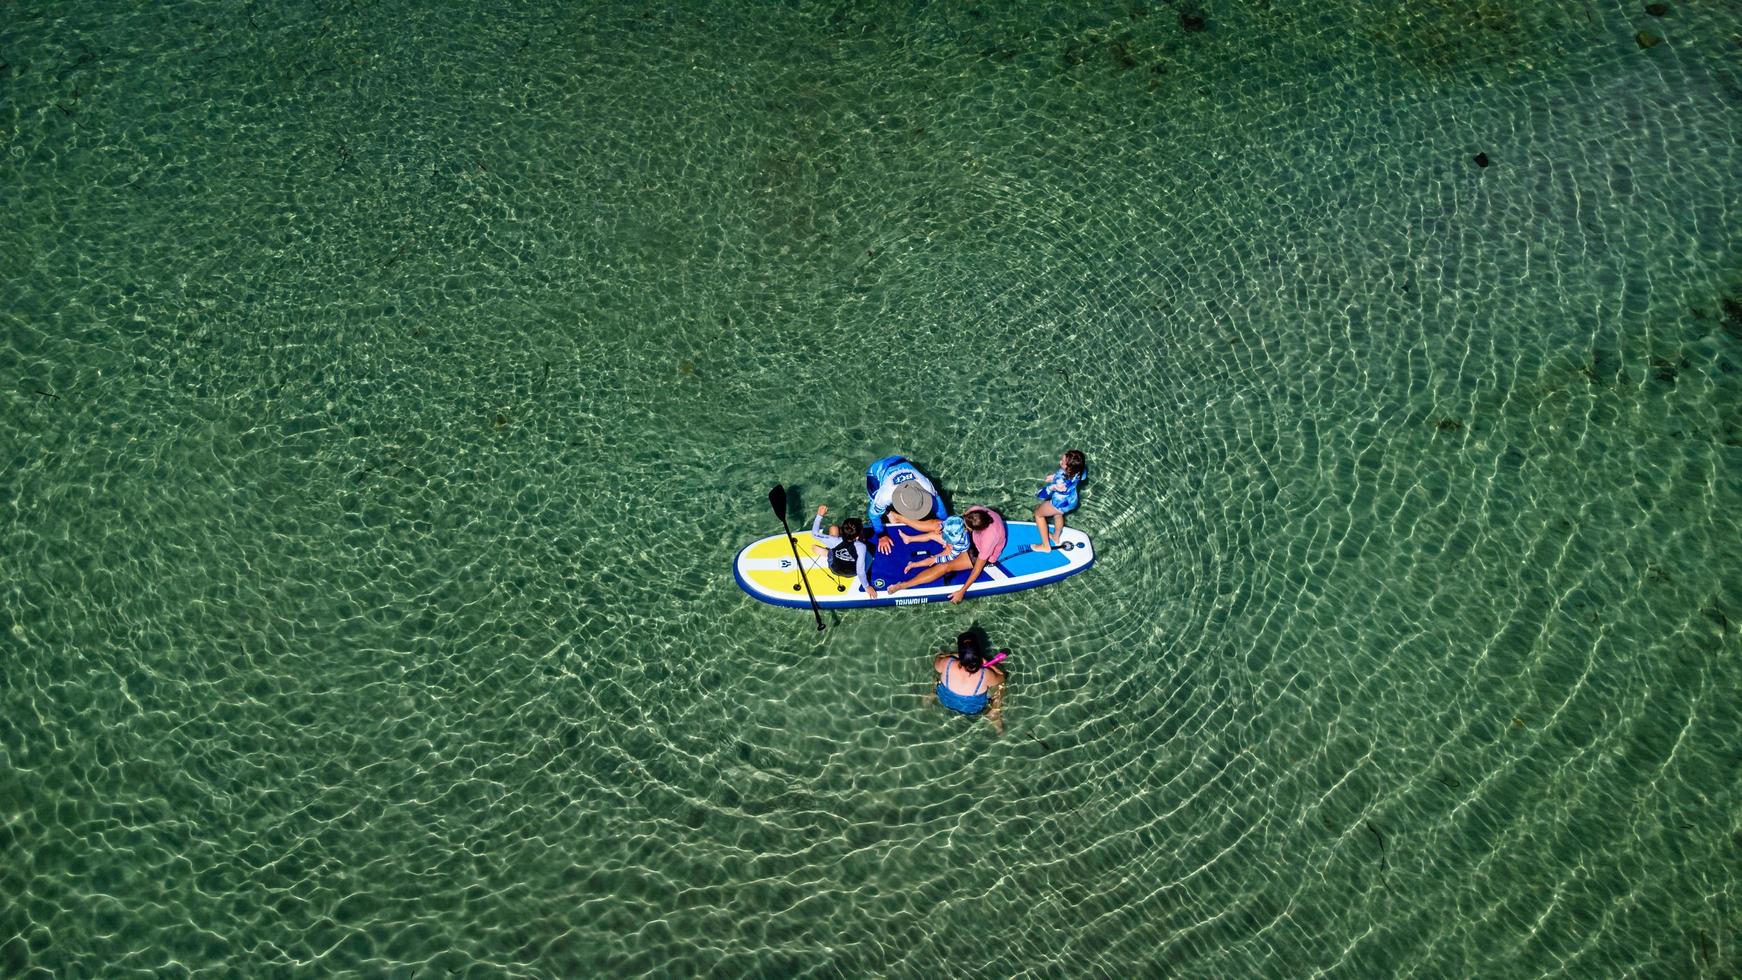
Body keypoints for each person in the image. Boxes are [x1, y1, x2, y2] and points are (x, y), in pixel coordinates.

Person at [884, 505, 1007, 604]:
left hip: (978, 551)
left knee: (945, 566)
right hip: (966, 538)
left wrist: (962, 591)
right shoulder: (975, 511)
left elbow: (977, 568)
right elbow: (955, 521)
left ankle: (903, 585)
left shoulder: (989, 538)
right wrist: (941, 528)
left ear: (975, 531)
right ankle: (899, 518)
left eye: (966, 528)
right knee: (935, 524)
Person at [865, 455, 945, 554]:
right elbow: (873, 515)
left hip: (900, 460)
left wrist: (945, 522)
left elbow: (938, 504)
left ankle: (895, 515)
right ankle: (889, 513)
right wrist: (881, 535)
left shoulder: (926, 486)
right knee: (875, 504)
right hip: (876, 471)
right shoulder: (884, 495)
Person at [934, 631, 1006, 734]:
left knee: (939, 675)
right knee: (1001, 687)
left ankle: (932, 694)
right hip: (972, 709)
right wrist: (988, 663)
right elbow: (1002, 677)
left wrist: (953, 654)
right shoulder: (985, 674)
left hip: (945, 699)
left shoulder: (948, 662)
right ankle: (994, 713)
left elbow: (938, 658)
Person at [810, 505, 876, 599]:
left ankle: (828, 553)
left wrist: (819, 515)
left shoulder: (833, 540)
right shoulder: (861, 547)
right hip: (852, 573)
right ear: (857, 536)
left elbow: (814, 534)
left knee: (833, 528)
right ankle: (827, 553)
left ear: (842, 531)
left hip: (834, 568)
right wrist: (866, 586)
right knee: (869, 555)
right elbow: (860, 571)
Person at [1032, 449, 1087, 553]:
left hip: (1059, 503)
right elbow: (1079, 478)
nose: (1060, 462)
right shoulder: (1081, 470)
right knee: (1058, 515)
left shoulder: (1060, 479)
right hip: (1072, 501)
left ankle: (1045, 546)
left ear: (1068, 468)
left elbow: (1044, 494)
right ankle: (1056, 537)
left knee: (1038, 514)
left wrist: (1051, 486)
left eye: (1062, 462)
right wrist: (1054, 477)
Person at [894, 514, 971, 578]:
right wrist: (940, 527)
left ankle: (913, 565)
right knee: (932, 534)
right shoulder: (956, 521)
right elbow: (945, 523)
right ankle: (909, 539)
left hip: (952, 550)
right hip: (950, 543)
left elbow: (951, 556)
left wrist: (936, 559)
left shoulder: (960, 542)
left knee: (933, 559)